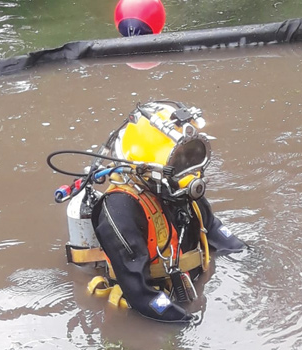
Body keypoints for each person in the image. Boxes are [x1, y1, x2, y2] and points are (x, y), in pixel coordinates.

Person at [67, 101, 247, 323]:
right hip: (150, 303)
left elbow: (216, 232)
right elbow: (140, 296)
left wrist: (254, 262)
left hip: (187, 286)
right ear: (147, 167)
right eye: (177, 161)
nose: (187, 171)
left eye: (191, 158)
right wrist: (187, 322)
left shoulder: (181, 189)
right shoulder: (119, 210)